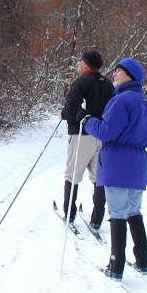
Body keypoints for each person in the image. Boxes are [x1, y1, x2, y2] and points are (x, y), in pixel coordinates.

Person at [84, 58, 147, 281]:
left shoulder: (121, 101)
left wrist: (88, 120)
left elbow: (107, 131)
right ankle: (143, 260)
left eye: (119, 71)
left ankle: (115, 266)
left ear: (130, 76)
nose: (114, 74)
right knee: (134, 211)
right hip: (138, 163)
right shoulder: (145, 101)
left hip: (117, 162)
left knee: (117, 214)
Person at [59, 50, 114, 228]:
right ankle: (97, 218)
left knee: (72, 174)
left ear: (87, 64)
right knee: (99, 177)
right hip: (102, 135)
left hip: (82, 135)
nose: (78, 63)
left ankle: (69, 213)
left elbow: (71, 108)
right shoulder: (108, 84)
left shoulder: (81, 82)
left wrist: (65, 114)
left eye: (80, 61)